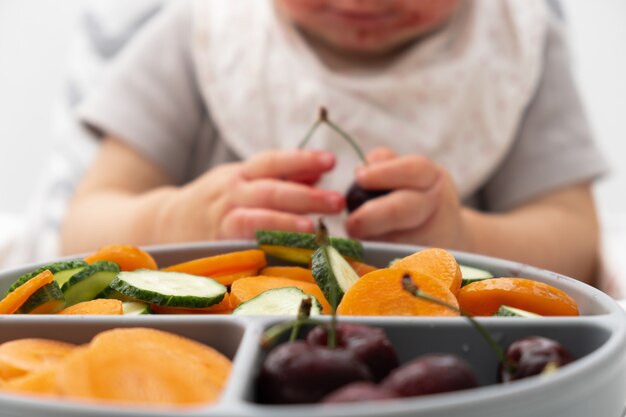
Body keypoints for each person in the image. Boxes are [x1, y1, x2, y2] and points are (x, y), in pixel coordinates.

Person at [61, 0, 607, 287]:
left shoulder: (518, 45)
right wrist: (175, 221)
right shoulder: (200, 33)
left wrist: (465, 235)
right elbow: (79, 230)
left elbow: (577, 242)